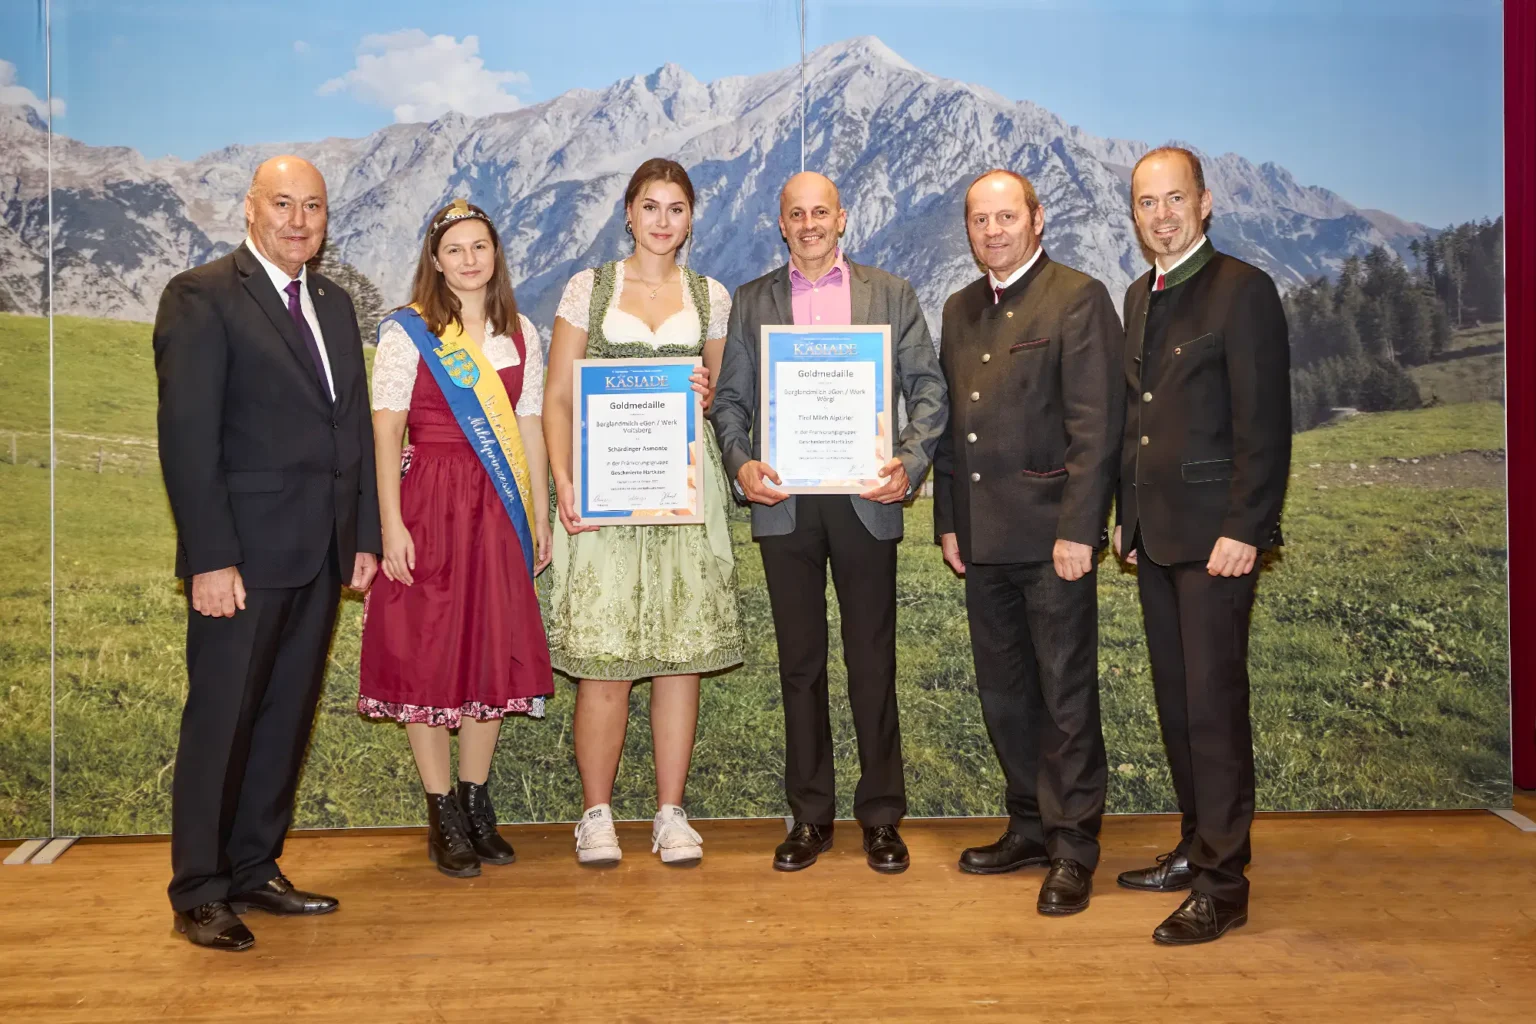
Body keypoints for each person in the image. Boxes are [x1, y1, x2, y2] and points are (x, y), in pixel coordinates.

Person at [153, 155, 380, 952]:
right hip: (241, 561)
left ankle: (254, 865)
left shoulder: (335, 304)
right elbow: (187, 441)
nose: (298, 219)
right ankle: (200, 890)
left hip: (319, 554)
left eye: (312, 206)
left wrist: (363, 538)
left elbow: (348, 430)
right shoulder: (202, 296)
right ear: (249, 209)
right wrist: (209, 558)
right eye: (282, 203)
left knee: (284, 717)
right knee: (222, 720)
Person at [711, 171, 949, 874]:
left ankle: (881, 818)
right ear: (779, 224)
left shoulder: (891, 294)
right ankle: (810, 817)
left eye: (821, 212)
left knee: (873, 663)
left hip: (866, 500)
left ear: (842, 218)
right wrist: (741, 463)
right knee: (800, 667)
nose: (810, 223)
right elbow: (730, 402)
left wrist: (908, 462)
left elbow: (928, 390)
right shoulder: (754, 301)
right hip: (784, 502)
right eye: (796, 214)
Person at [1112, 146, 1291, 944]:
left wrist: (1245, 528)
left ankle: (1224, 884)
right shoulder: (1138, 296)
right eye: (1146, 203)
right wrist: (1125, 514)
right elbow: (1136, 417)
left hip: (1218, 540)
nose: (1161, 214)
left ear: (1205, 201)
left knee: (1214, 711)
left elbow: (1265, 425)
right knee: (1180, 705)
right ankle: (1195, 844)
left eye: (1173, 199)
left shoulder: (1243, 290)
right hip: (1154, 537)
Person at [543, 158, 743, 866]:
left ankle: (669, 811)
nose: (662, 220)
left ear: (691, 219)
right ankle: (595, 814)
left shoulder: (710, 295)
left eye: (676, 208)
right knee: (604, 661)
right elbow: (560, 397)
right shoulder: (587, 289)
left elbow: (724, 397)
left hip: (684, 493)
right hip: (606, 492)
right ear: (628, 213)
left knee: (678, 660)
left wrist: (707, 387)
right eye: (650, 206)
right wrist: (563, 481)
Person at [932, 170, 1123, 913]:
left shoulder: (1076, 297)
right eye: (980, 220)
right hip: (982, 540)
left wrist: (1080, 529)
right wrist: (948, 519)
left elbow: (1095, 427)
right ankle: (1029, 825)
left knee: (1065, 697)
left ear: (1037, 220)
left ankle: (1073, 847)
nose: (993, 231)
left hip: (1053, 542)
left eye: (1007, 217)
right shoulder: (959, 308)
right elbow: (953, 430)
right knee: (1005, 695)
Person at [359, 199, 554, 878]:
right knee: (428, 648)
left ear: (495, 255)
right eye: (456, 249)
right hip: (431, 503)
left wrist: (540, 514)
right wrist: (390, 525)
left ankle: (476, 801)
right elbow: (385, 430)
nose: (470, 260)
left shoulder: (520, 331)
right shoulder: (409, 333)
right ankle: (441, 810)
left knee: (490, 647)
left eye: (481, 247)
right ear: (435, 262)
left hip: (498, 507)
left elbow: (528, 428)